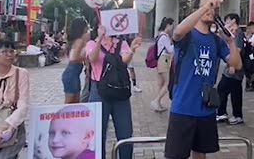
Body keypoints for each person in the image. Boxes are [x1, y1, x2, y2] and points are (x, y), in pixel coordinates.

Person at [165, 0, 242, 159]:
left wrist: (230, 42)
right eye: (207, 6)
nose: (211, 9)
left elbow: (236, 64)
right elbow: (177, 32)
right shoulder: (187, 35)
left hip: (206, 109)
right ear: (196, 10)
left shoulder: (216, 40)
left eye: (213, 7)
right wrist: (208, 5)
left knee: (200, 154)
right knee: (176, 155)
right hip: (183, 107)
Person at [86, 26, 142, 159]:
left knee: (125, 132)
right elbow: (92, 59)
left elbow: (124, 62)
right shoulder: (92, 43)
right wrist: (100, 38)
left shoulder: (121, 43)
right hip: (99, 91)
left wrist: (132, 49)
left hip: (119, 91)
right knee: (98, 133)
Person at [217, 13, 245, 125]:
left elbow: (237, 50)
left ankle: (226, 114)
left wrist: (232, 65)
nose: (226, 22)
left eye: (228, 20)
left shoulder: (237, 33)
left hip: (235, 68)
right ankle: (231, 114)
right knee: (233, 91)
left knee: (224, 89)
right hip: (233, 67)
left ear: (233, 20)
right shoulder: (233, 33)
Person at [62, 18, 91, 104]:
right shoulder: (79, 41)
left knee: (75, 101)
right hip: (72, 73)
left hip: (74, 73)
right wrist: (86, 57)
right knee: (70, 101)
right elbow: (73, 58)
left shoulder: (79, 40)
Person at [151, 17, 175, 112]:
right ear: (168, 25)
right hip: (164, 60)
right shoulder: (164, 37)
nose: (173, 28)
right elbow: (170, 50)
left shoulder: (159, 35)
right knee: (167, 83)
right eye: (172, 25)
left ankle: (158, 103)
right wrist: (176, 44)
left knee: (161, 83)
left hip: (160, 60)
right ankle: (156, 101)